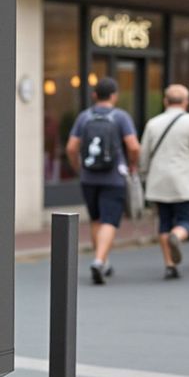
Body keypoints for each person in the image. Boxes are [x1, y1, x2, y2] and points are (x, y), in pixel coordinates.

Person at [66, 77, 140, 285]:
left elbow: (71, 147)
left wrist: (78, 167)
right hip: (113, 177)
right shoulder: (121, 117)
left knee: (96, 219)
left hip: (89, 177)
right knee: (110, 219)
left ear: (95, 95)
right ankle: (99, 261)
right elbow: (133, 146)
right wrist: (133, 165)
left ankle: (103, 261)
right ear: (114, 95)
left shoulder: (84, 117)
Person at [139, 84, 189, 279]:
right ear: (186, 102)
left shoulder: (153, 123)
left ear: (165, 101)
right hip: (184, 181)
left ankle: (170, 264)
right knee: (185, 221)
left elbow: (143, 155)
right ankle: (177, 236)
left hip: (159, 181)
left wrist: (144, 174)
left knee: (164, 222)